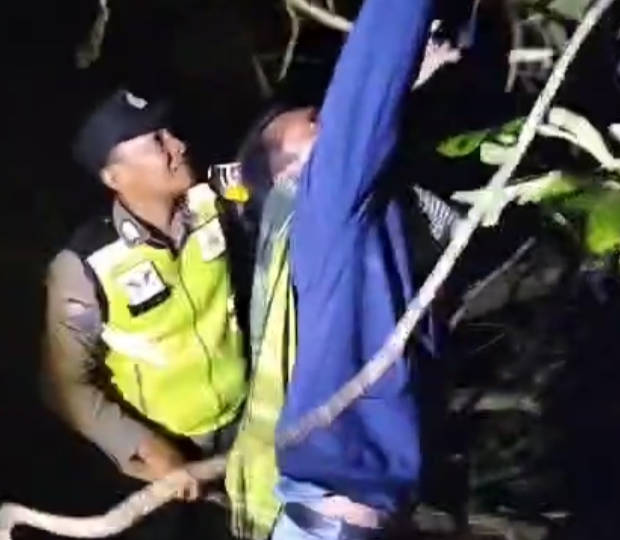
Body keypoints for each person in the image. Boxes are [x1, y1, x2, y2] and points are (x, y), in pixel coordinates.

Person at [224, 0, 444, 538]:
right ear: (287, 171)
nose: (330, 122)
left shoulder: (310, 231)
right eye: (315, 123)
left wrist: (414, 74)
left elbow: (375, 128)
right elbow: (366, 87)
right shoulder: (324, 203)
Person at [41, 89, 248, 534]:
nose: (178, 145)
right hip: (162, 451)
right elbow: (63, 385)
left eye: (170, 133)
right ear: (115, 176)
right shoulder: (88, 265)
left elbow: (283, 176)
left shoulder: (215, 201)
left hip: (244, 423)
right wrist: (145, 447)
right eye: (157, 141)